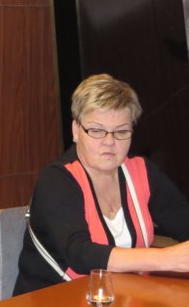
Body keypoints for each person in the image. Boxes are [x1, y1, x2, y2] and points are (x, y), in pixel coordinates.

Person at [14, 74, 189, 295]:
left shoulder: (142, 172)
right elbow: (80, 254)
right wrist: (166, 259)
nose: (109, 142)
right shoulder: (56, 179)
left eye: (121, 132)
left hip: (122, 301)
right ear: (76, 130)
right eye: (97, 130)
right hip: (54, 303)